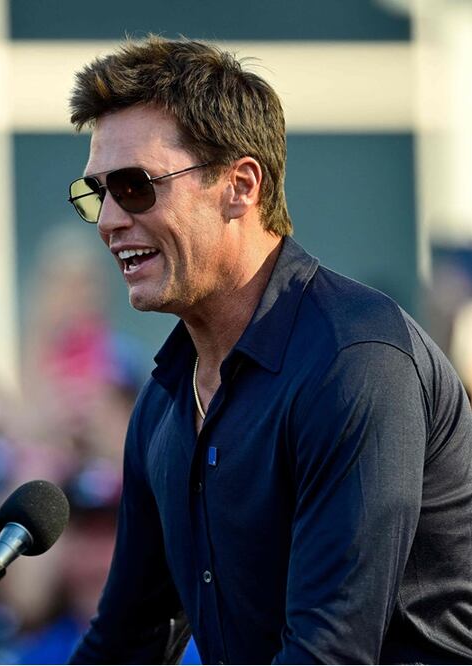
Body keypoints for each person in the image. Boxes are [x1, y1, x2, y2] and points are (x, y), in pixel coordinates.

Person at [64, 37, 472, 664]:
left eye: (134, 186)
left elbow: (330, 653)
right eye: (95, 193)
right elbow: (125, 642)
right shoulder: (162, 405)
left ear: (240, 186)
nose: (108, 220)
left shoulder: (355, 360)